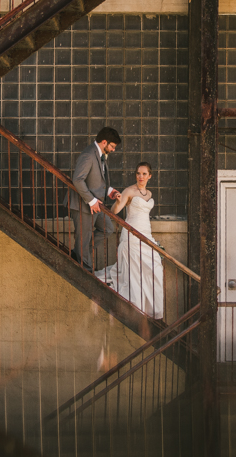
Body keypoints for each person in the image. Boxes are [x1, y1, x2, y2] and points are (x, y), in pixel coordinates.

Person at [94, 162, 164, 320]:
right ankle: (135, 309)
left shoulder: (149, 194)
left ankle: (147, 310)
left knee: (154, 268)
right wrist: (119, 202)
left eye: (144, 174)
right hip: (132, 234)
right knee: (134, 272)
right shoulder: (129, 191)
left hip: (146, 235)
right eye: (138, 173)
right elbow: (114, 212)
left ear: (149, 176)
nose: (140, 177)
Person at [64, 127, 122, 270]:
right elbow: (78, 180)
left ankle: (80, 253)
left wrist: (109, 191)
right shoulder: (89, 155)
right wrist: (91, 200)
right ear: (104, 142)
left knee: (107, 228)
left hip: (96, 204)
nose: (114, 150)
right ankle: (86, 272)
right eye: (112, 146)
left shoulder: (100, 154)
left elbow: (95, 180)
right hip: (83, 205)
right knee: (83, 240)